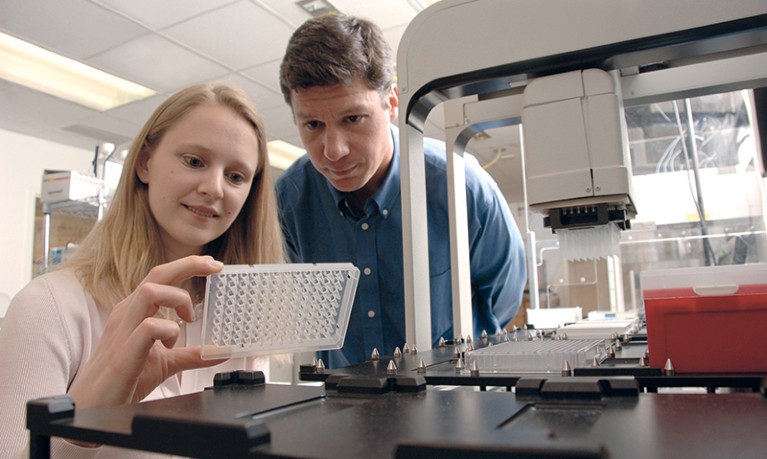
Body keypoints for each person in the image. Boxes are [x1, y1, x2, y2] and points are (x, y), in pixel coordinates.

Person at [0, 83, 284, 457]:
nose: (214, 188)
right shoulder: (48, 306)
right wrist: (85, 422)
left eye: (236, 176)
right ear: (145, 162)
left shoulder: (241, 320)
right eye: (194, 161)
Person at [276, 14, 527, 369]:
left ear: (392, 104)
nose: (333, 150)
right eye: (313, 125)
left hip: (452, 395)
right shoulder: (289, 200)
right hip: (347, 401)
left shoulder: (460, 183)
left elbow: (500, 300)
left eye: (353, 119)